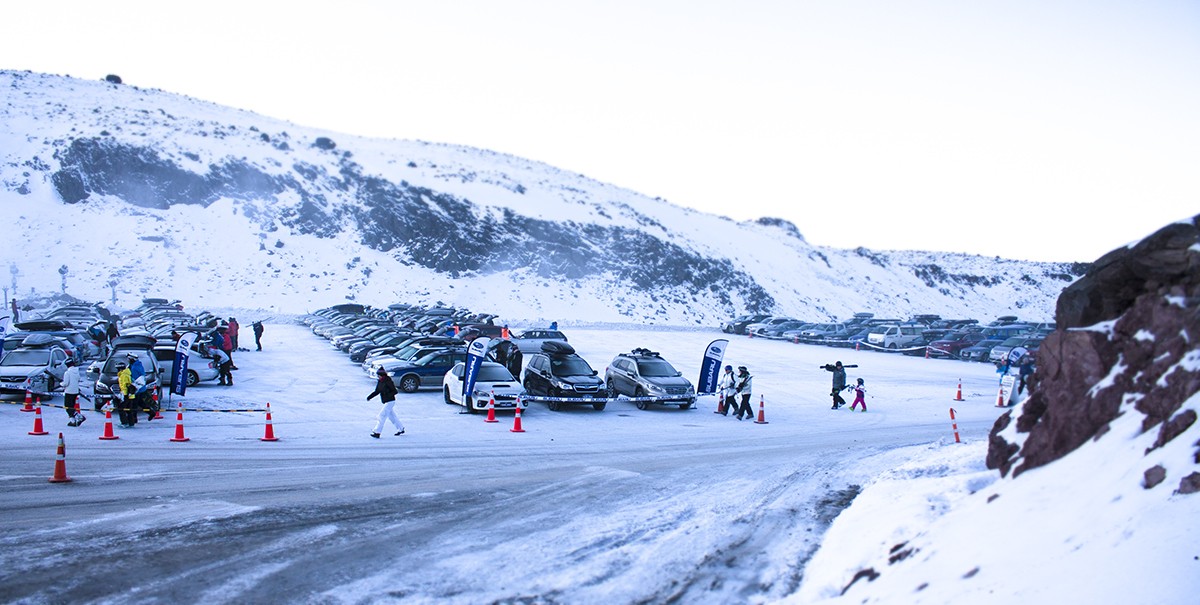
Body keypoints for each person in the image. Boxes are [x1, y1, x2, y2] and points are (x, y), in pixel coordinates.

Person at [367, 367, 404, 438]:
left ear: (383, 375)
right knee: (392, 417)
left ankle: (377, 432)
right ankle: (401, 429)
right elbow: (377, 391)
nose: (378, 376)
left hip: (390, 401)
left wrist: (387, 394)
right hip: (385, 401)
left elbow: (395, 391)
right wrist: (370, 397)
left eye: (379, 375)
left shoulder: (388, 381)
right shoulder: (380, 381)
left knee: (381, 416)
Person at [62, 358, 85, 426]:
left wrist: (61, 384)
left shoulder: (67, 373)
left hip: (68, 391)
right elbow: (78, 379)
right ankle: (72, 421)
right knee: (72, 406)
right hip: (75, 391)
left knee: (68, 407)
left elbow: (66, 383)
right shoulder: (77, 372)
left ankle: (79, 416)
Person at [116, 361, 136, 427]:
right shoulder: (126, 373)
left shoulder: (123, 375)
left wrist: (122, 395)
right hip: (130, 395)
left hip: (125, 395)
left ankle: (124, 423)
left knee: (121, 409)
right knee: (129, 409)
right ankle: (131, 423)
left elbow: (125, 386)